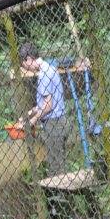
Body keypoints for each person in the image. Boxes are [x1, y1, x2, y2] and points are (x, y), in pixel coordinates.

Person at [18, 41, 70, 177]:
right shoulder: (49, 68)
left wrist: (32, 121)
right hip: (60, 121)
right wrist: (27, 115)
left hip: (55, 124)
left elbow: (48, 105)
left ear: (28, 59)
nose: (25, 68)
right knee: (59, 162)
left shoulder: (44, 75)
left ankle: (60, 197)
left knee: (56, 168)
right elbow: (43, 103)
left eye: (23, 64)